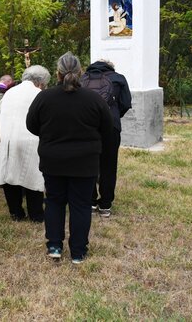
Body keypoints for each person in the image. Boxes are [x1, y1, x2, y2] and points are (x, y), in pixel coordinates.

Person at [26, 52, 113, 264]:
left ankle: (54, 246)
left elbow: (31, 125)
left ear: (57, 73)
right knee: (81, 205)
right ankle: (78, 252)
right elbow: (107, 128)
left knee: (54, 202)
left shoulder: (44, 97)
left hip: (53, 159)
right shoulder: (94, 99)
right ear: (80, 72)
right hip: (85, 161)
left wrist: (50, 135)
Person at [0, 66, 51, 222]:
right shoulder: (39, 94)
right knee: (32, 177)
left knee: (9, 175)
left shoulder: (10, 92)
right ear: (40, 82)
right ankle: (36, 214)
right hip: (29, 138)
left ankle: (15, 212)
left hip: (5, 138)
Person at [85, 60, 132, 218]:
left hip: (87, 126)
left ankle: (90, 202)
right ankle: (105, 205)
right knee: (109, 165)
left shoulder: (82, 79)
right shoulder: (119, 78)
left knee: (88, 164)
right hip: (111, 126)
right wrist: (115, 115)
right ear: (111, 67)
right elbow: (125, 103)